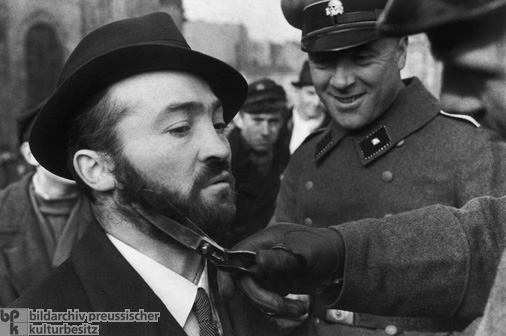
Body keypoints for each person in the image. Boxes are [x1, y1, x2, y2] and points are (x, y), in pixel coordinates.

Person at [224, 0, 506, 335]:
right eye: (324, 61)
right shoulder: (307, 155)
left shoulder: (472, 146)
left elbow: (496, 282)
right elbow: (278, 283)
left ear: (400, 51)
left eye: (362, 57)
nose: (341, 81)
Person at [11, 13, 281, 336]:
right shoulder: (31, 325)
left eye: (219, 124)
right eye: (180, 128)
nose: (219, 148)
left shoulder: (266, 300)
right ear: (97, 169)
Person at [0, 102, 92, 307]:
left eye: (81, 143)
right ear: (30, 155)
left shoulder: (116, 209)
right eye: (61, 143)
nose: (75, 153)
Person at [224, 78, 290, 247]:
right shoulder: (224, 160)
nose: (266, 131)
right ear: (239, 120)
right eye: (257, 121)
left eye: (273, 121)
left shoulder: (287, 157)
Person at [285, 61, 329, 154]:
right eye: (310, 93)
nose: (316, 102)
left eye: (321, 96)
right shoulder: (282, 120)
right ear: (298, 91)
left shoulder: (332, 127)